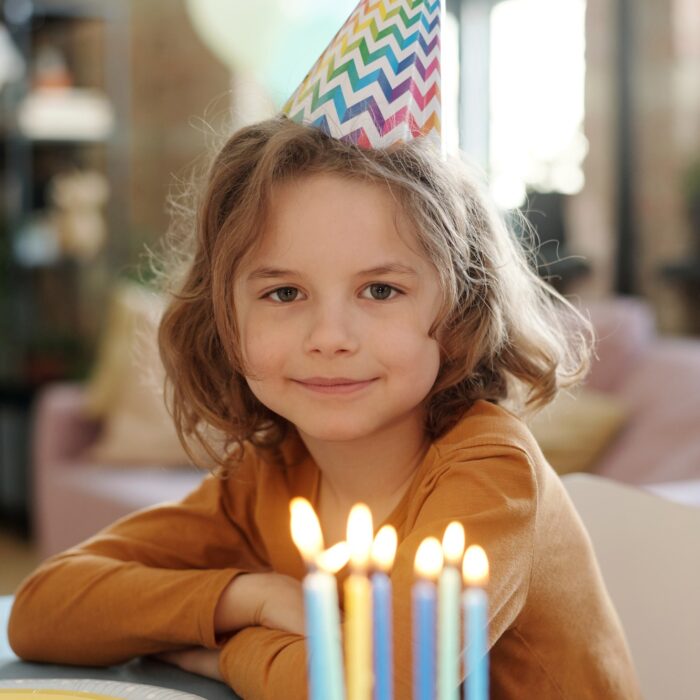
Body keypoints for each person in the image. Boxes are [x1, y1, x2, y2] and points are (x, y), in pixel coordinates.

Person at [9, 1, 641, 697]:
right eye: (284, 294)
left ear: (460, 305)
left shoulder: (491, 471)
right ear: (224, 320)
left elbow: (371, 685)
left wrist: (225, 654)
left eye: (379, 291)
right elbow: (42, 612)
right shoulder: (269, 477)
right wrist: (244, 598)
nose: (330, 338)